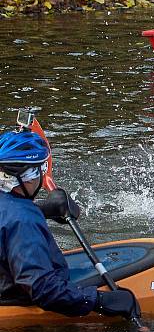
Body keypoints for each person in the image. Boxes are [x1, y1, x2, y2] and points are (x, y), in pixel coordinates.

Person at [0, 129, 140, 320]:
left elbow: (7, 219)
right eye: (41, 169)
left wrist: (44, 210)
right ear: (28, 175)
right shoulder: (23, 219)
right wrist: (99, 301)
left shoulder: (17, 212)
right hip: (15, 298)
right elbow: (41, 288)